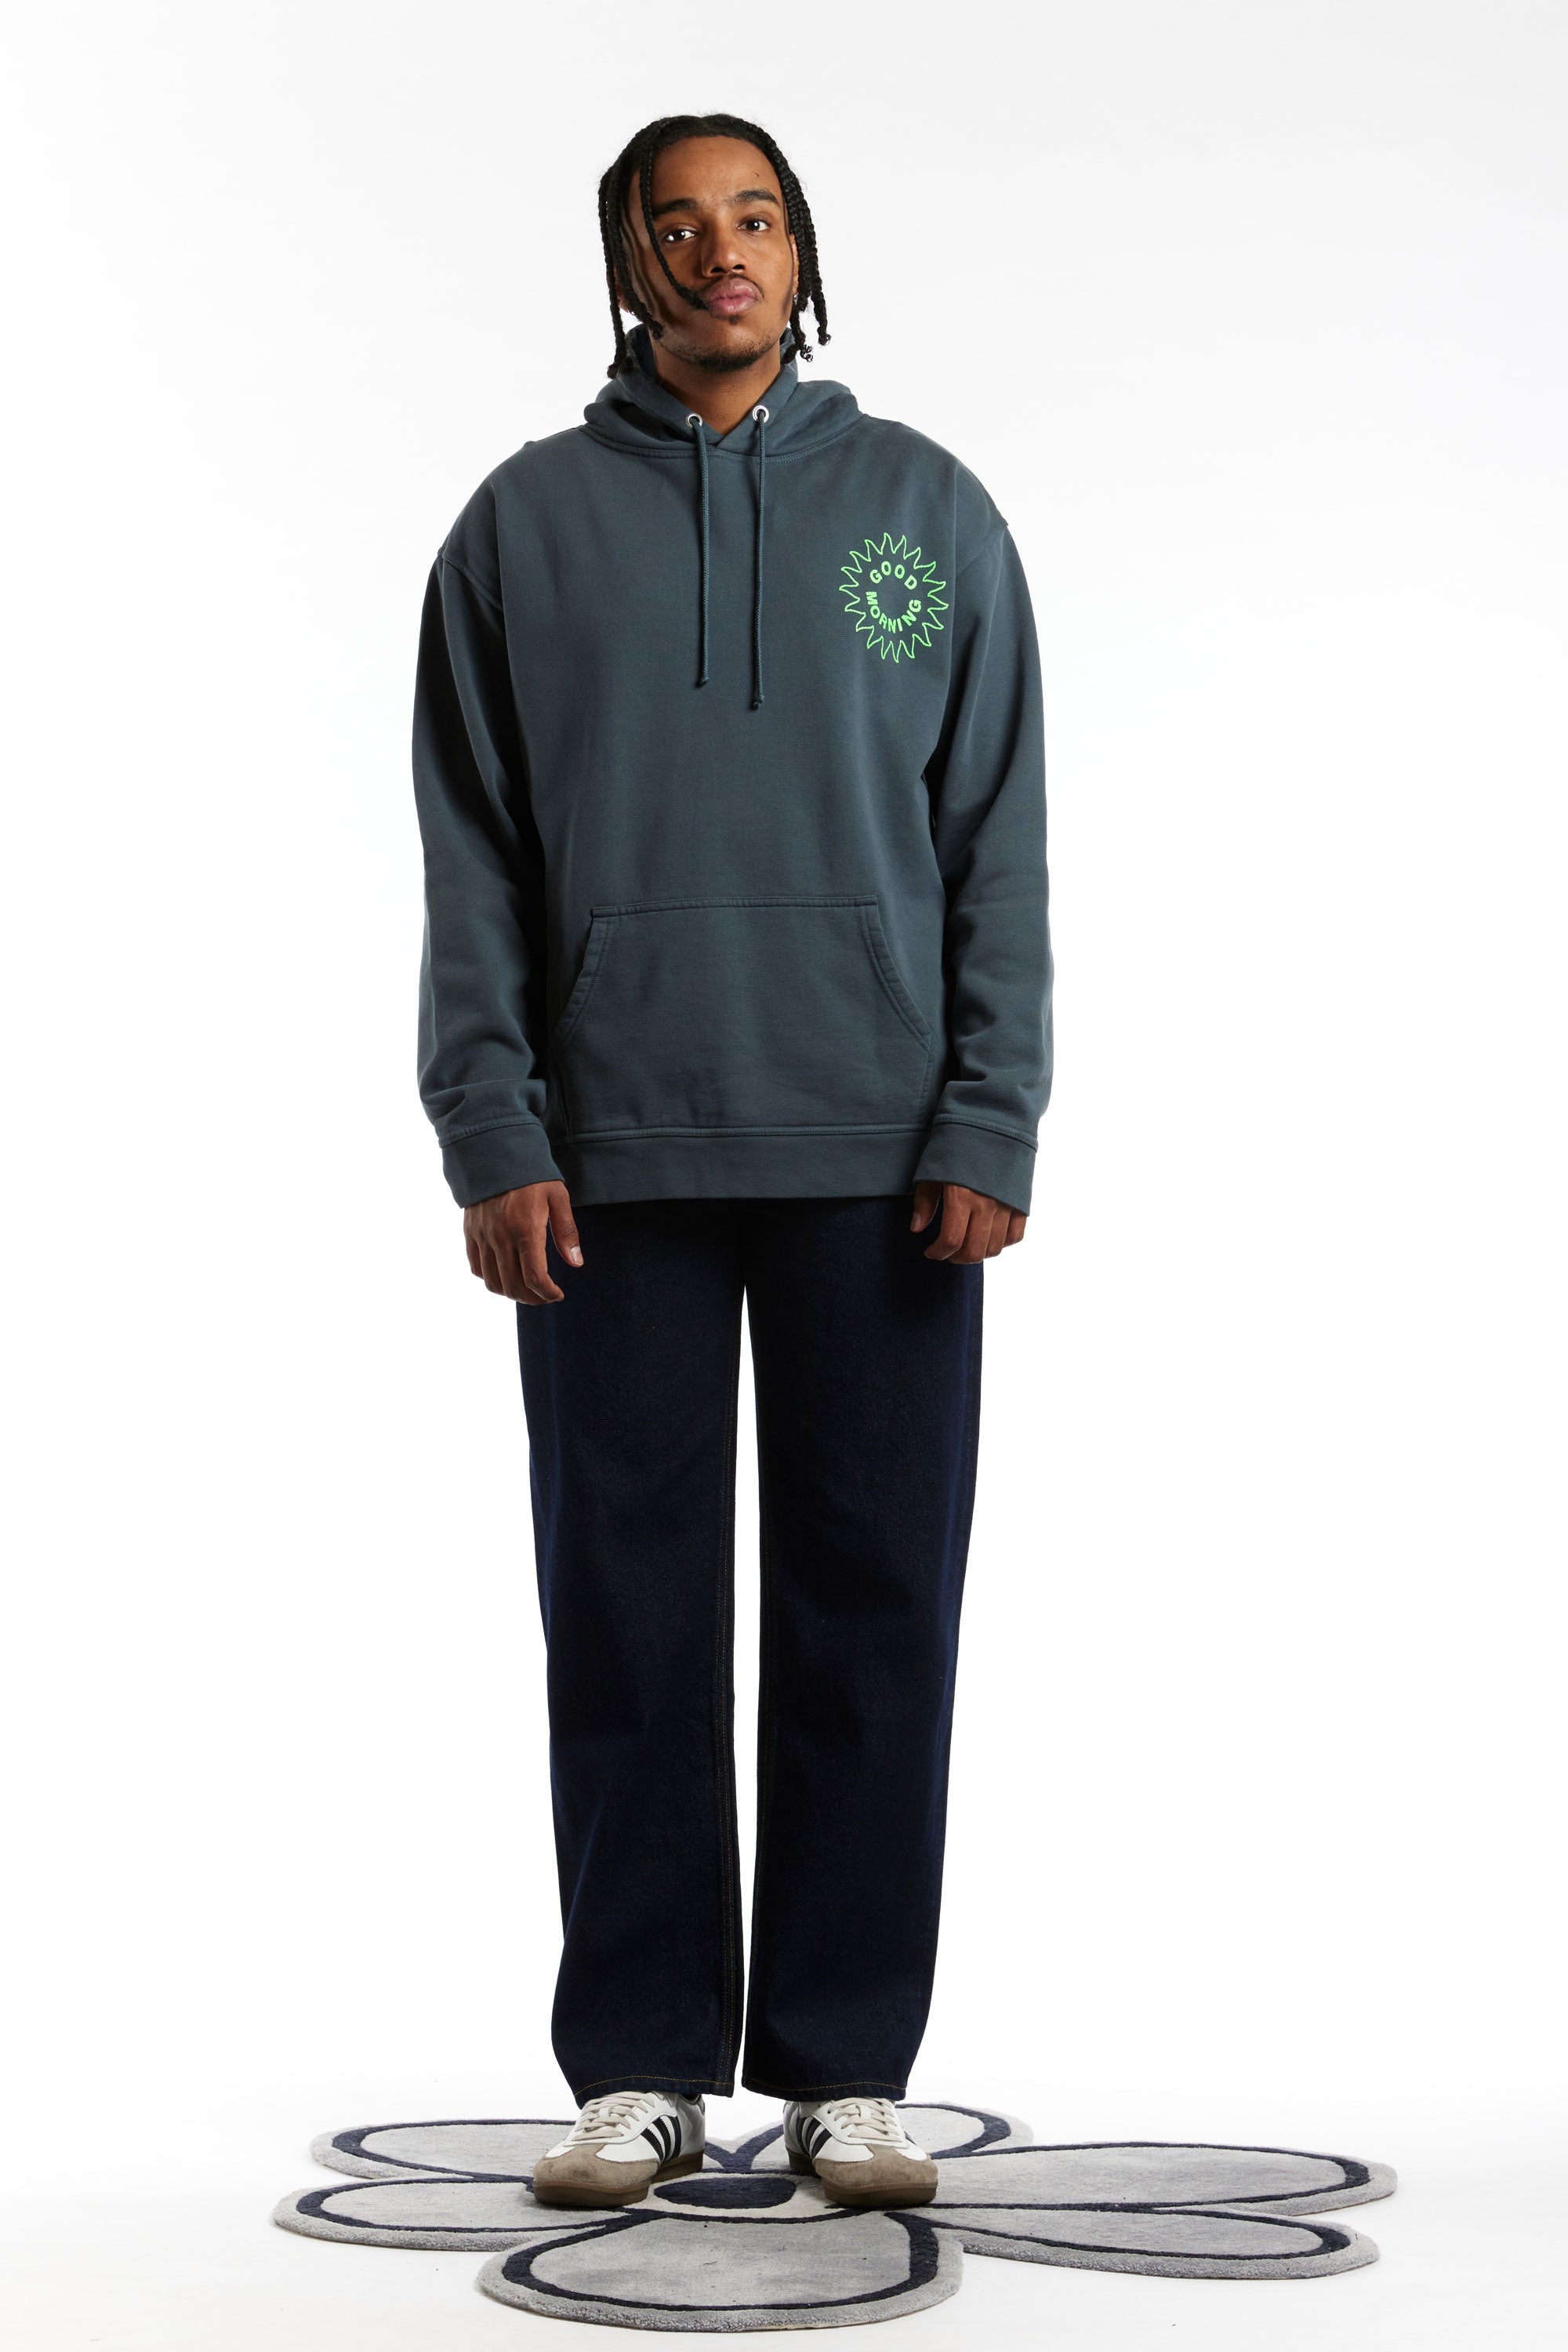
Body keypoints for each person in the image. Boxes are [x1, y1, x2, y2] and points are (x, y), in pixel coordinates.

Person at [412, 111, 1052, 2212]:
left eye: (754, 218)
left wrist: (991, 1108)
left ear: (802, 249)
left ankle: (850, 2066)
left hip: (883, 1150)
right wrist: (491, 1121)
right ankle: (641, 2062)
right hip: (609, 1156)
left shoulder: (928, 511)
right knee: (627, 1617)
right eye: (676, 227)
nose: (721, 255)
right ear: (626, 266)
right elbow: (472, 857)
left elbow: (999, 839)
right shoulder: (521, 528)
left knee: (878, 1601)